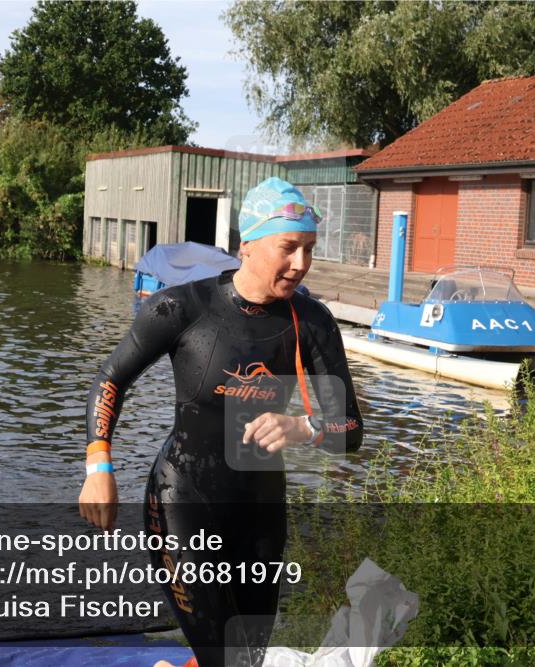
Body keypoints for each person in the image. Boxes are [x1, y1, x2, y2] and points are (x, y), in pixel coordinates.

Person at [78, 177, 364, 667]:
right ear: (247, 245)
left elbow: (351, 430)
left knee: (247, 659)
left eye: (309, 249)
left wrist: (304, 428)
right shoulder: (182, 308)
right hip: (183, 501)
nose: (301, 264)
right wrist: (98, 467)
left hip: (260, 510)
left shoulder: (312, 322)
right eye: (289, 247)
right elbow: (110, 378)